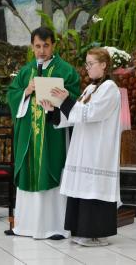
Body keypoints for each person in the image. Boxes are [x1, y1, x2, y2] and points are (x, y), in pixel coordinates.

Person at [40, 47, 121, 246]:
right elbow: (74, 116)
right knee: (82, 188)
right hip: (83, 146)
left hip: (98, 149)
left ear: (103, 65)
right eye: (86, 64)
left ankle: (95, 233)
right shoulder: (90, 88)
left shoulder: (110, 87)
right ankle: (81, 230)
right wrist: (53, 110)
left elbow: (90, 113)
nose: (87, 69)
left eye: (91, 64)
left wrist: (65, 100)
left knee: (93, 189)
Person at [7, 27, 80, 239]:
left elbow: (74, 101)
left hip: (52, 135)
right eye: (37, 46)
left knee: (52, 169)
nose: (41, 51)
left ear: (53, 45)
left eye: (46, 45)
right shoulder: (26, 71)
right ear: (32, 47)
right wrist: (25, 92)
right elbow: (12, 95)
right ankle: (25, 226)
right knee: (29, 172)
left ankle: (55, 227)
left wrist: (60, 102)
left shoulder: (65, 71)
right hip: (29, 137)